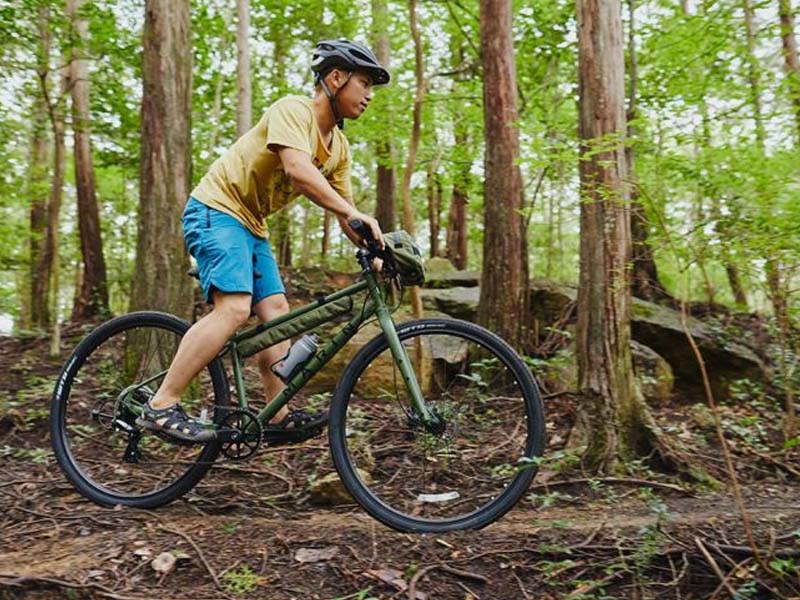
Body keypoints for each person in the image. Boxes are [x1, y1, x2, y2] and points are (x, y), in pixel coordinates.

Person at [136, 39, 389, 443]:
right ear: (336, 78)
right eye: (364, 83)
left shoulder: (339, 148)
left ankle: (276, 416)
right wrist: (353, 216)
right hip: (216, 209)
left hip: (251, 224)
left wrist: (372, 250)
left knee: (277, 312)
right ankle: (161, 404)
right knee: (235, 309)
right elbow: (297, 170)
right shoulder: (294, 110)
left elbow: (346, 212)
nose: (369, 95)